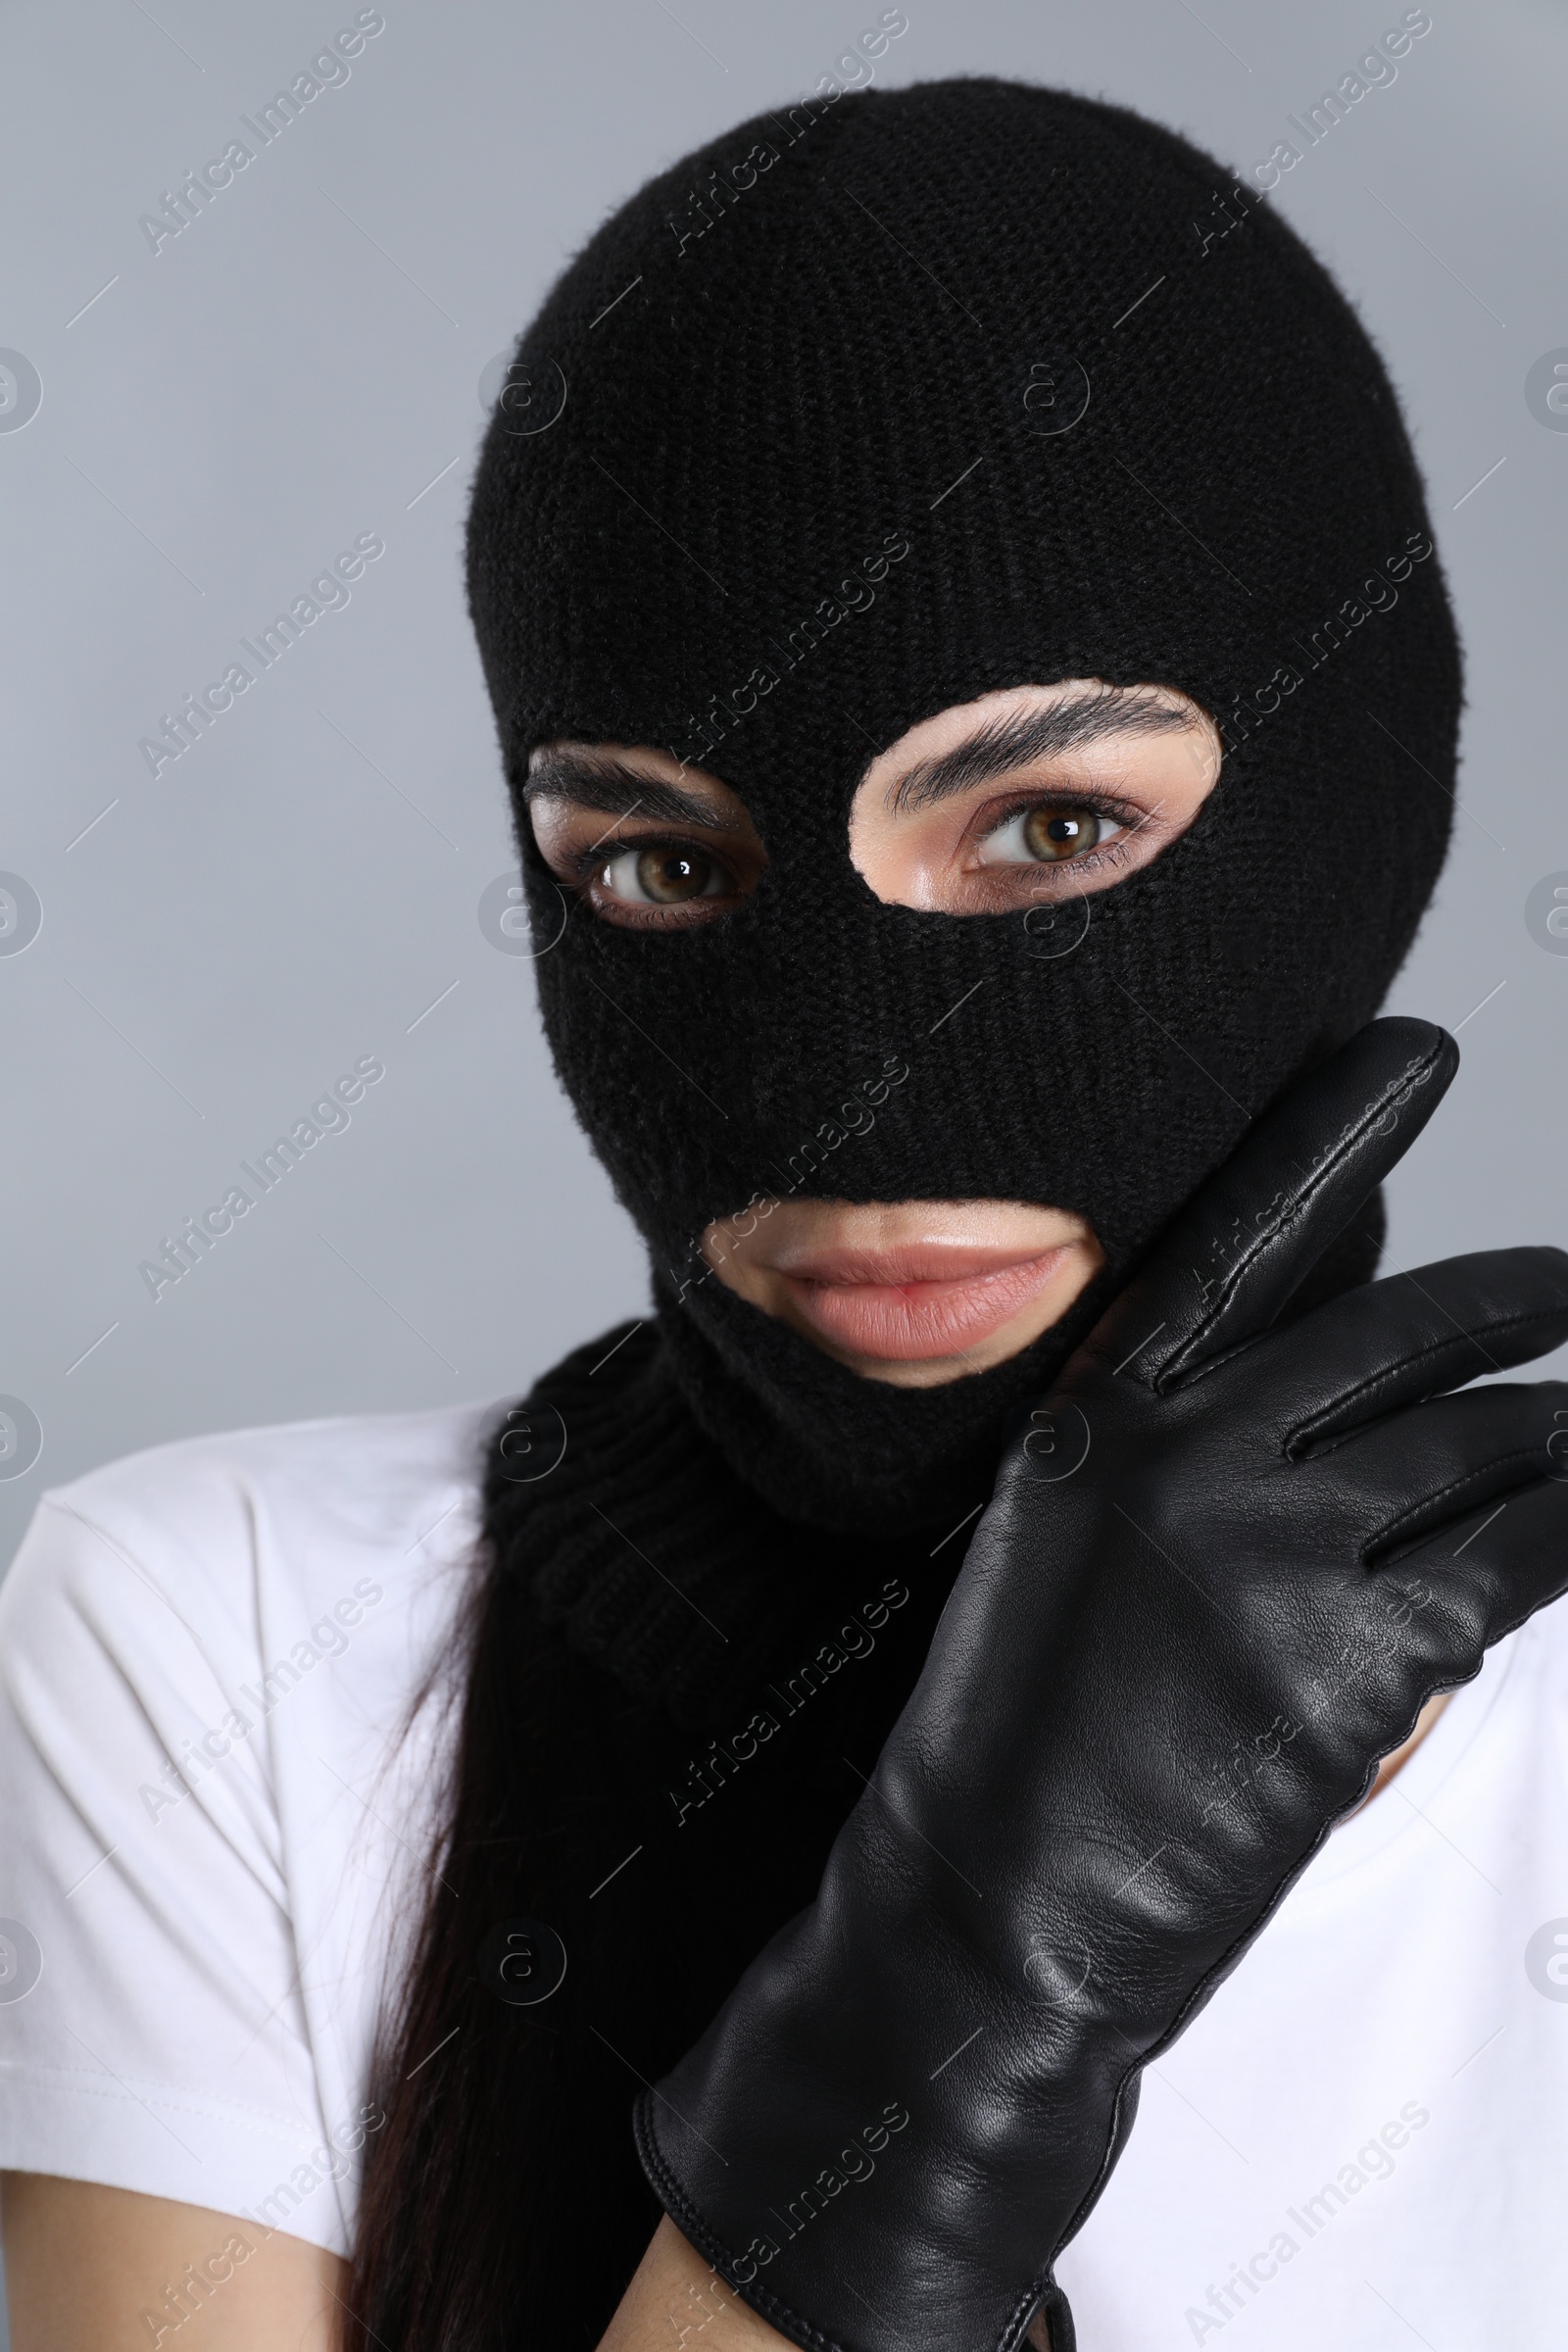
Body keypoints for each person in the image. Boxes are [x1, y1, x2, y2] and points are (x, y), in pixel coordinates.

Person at [5, 74, 1568, 2352]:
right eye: (664, 866)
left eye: (1046, 834)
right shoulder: (223, 1649)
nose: (845, 1094)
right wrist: (968, 1991)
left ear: (1362, 792)